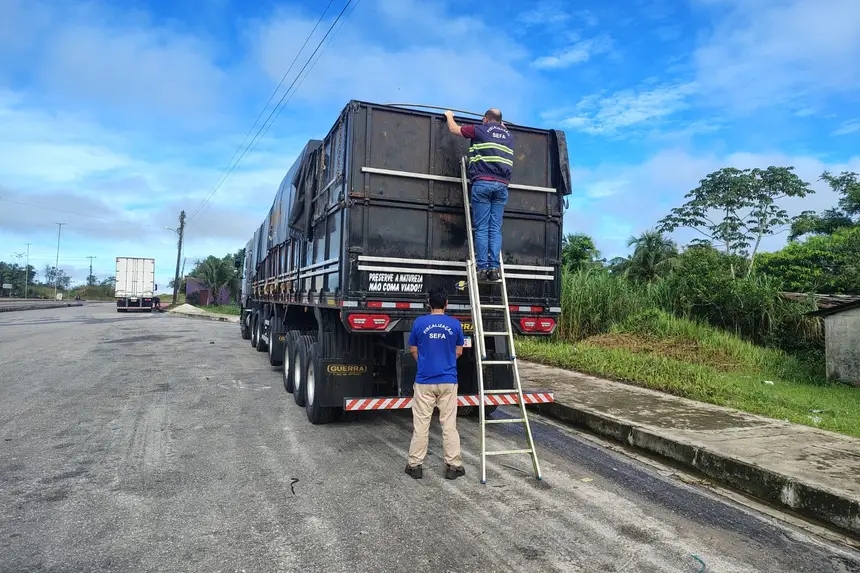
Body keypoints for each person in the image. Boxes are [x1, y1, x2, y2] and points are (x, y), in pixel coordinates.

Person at [444, 108, 514, 282]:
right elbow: (501, 130)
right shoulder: (509, 136)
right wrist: (501, 126)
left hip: (483, 183)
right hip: (501, 187)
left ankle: (482, 269)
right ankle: (494, 269)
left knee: (482, 228)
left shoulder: (480, 129)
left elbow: (453, 129)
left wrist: (449, 116)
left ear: (485, 119)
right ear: (501, 121)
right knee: (494, 229)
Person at [405, 287, 466, 480]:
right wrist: (446, 362)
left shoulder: (419, 323)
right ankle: (453, 466)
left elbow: (413, 349)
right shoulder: (455, 324)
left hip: (424, 381)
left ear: (428, 303)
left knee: (421, 424)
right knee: (449, 425)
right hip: (448, 381)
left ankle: (415, 465)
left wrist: (423, 363)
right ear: (446, 303)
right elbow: (459, 351)